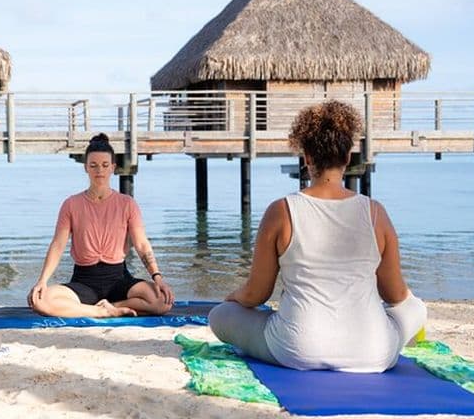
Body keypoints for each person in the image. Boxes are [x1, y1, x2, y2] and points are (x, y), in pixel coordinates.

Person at [209, 100, 427, 372]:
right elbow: (395, 294)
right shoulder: (375, 214)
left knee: (220, 315)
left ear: (307, 158)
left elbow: (256, 294)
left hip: (297, 348)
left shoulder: (281, 211)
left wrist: (233, 298)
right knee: (416, 308)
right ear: (348, 156)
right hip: (373, 353)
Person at [27, 133, 175, 317]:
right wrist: (42, 280)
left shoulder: (127, 203)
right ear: (86, 168)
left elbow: (142, 245)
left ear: (113, 167)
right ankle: (102, 311)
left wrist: (158, 278)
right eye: (94, 165)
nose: (100, 171)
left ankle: (112, 306)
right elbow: (58, 245)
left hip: (119, 279)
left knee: (162, 302)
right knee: (40, 301)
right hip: (84, 280)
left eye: (105, 165)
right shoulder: (71, 204)